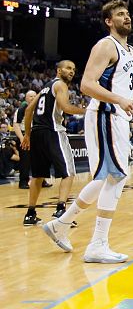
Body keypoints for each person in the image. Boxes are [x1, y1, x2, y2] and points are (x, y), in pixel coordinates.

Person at [40, 0, 133, 263]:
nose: (127, 17)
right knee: (115, 177)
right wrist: (119, 100)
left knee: (105, 178)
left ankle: (61, 224)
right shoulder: (105, 45)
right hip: (104, 114)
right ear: (108, 21)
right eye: (120, 14)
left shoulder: (131, 51)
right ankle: (97, 244)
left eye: (128, 13)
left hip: (117, 117)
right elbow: (86, 85)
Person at [21, 61, 85, 227]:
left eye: (73, 69)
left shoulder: (44, 88)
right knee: (69, 172)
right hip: (53, 130)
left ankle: (30, 213)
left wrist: (27, 134)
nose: (71, 71)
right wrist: (87, 110)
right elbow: (66, 107)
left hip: (37, 132)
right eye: (68, 68)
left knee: (37, 175)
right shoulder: (61, 85)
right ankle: (61, 210)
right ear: (59, 70)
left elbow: (28, 111)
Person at [13, 90, 36, 189]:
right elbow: (16, 125)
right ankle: (23, 182)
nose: (33, 98)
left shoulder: (39, 110)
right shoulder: (21, 109)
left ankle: (41, 180)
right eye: (30, 96)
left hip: (36, 136)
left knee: (40, 160)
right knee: (25, 161)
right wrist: (22, 139)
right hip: (24, 136)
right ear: (26, 98)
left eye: (35, 96)